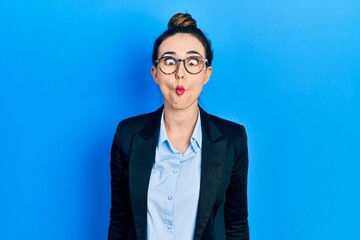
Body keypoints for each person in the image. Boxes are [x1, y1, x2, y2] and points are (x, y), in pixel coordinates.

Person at [108, 13, 249, 240]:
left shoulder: (233, 139)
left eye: (193, 62)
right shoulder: (127, 135)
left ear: (206, 74)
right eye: (169, 62)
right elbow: (120, 220)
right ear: (155, 73)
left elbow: (236, 222)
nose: (180, 73)